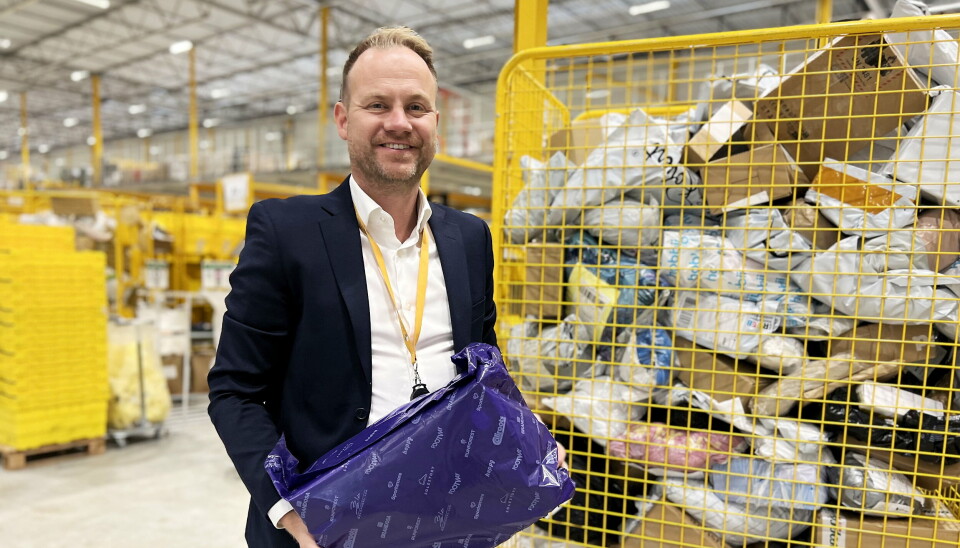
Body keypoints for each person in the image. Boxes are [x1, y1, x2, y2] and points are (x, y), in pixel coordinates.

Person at [208, 27, 499, 547]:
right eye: (377, 105)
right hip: (321, 529)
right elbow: (235, 391)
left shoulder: (469, 237)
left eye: (416, 107)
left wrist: (522, 437)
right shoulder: (285, 233)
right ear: (344, 120)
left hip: (441, 521)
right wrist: (291, 509)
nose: (398, 123)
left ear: (435, 121)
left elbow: (483, 363)